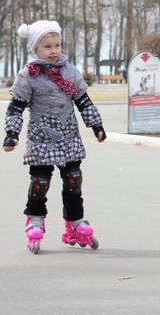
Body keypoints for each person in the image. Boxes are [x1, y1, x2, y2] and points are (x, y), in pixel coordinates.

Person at [3, 20, 106, 253]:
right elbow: (16, 106)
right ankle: (35, 220)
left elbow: (83, 100)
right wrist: (12, 133)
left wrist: (96, 125)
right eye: (47, 46)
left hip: (68, 134)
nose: (54, 51)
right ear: (35, 49)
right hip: (41, 135)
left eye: (57, 45)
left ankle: (75, 222)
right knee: (40, 182)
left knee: (73, 179)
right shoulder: (28, 75)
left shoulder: (69, 71)